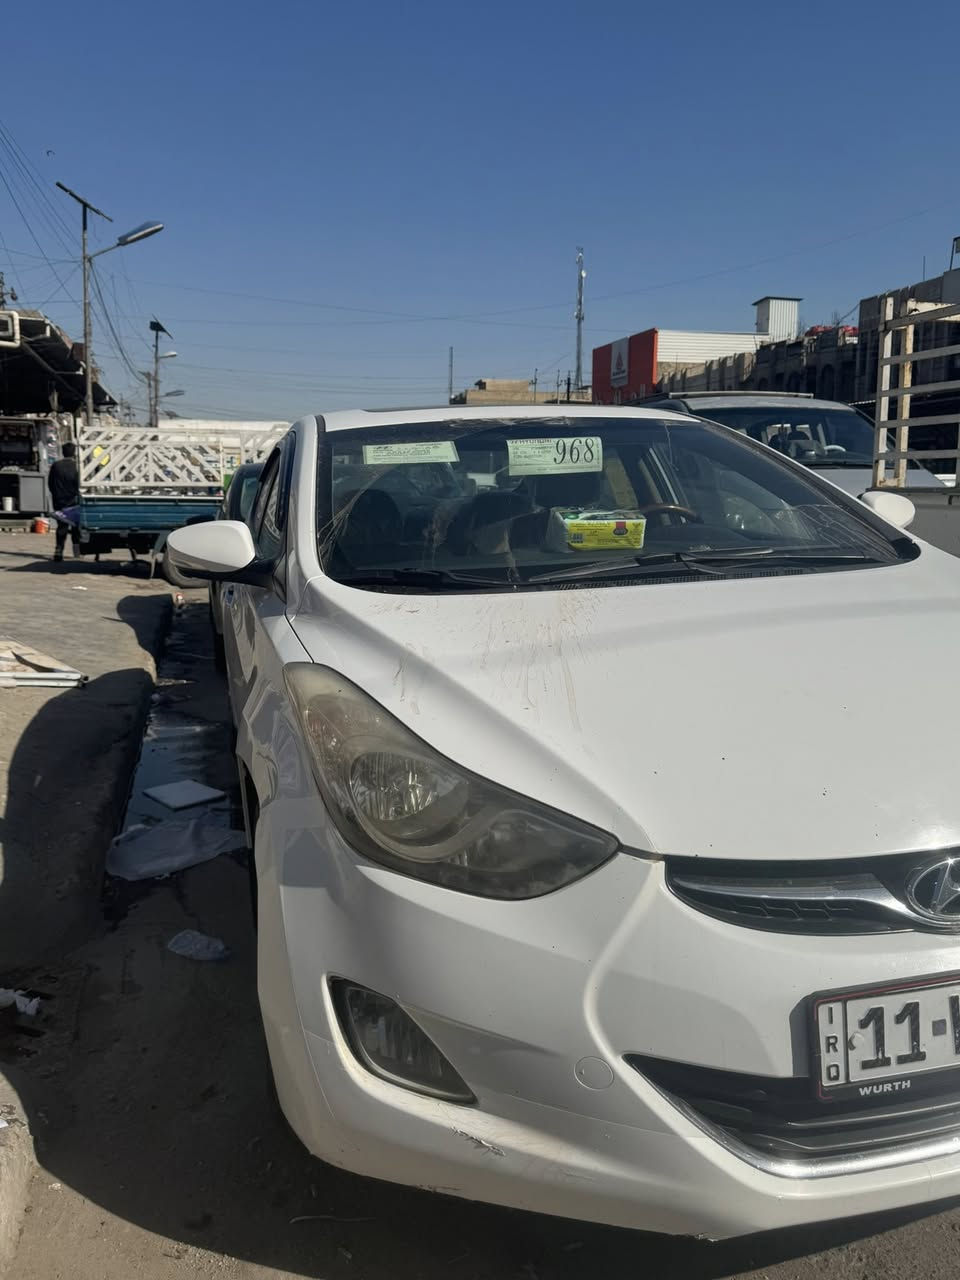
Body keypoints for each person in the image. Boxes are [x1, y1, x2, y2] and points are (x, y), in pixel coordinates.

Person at [47, 441, 80, 561]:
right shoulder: (77, 466)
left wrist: (56, 495)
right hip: (74, 501)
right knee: (76, 526)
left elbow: (50, 483)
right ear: (74, 453)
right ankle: (77, 551)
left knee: (61, 527)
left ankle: (59, 550)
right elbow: (79, 484)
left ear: (63, 452)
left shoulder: (56, 466)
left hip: (59, 501)